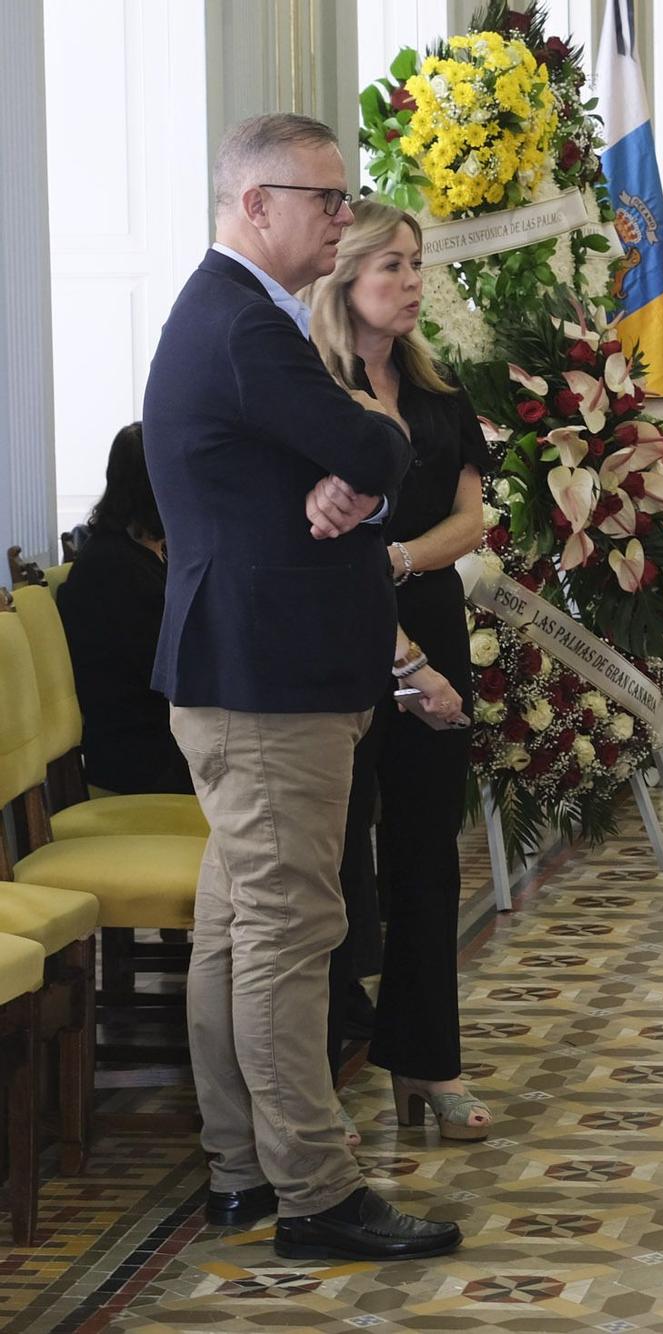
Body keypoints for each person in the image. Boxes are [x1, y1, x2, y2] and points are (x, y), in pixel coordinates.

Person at [144, 111, 463, 1262]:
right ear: (253, 205)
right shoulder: (245, 325)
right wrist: (358, 464)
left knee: (240, 931)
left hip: (250, 666)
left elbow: (368, 455)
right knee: (290, 932)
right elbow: (386, 451)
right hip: (267, 679)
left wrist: (352, 467)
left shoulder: (245, 318)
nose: (341, 215)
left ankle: (240, 1167)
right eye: (324, 199)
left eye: (345, 197)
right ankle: (315, 1191)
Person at [310, 200, 491, 1142]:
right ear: (344, 280)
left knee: (425, 855)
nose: (415, 283)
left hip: (429, 630)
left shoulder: (436, 395)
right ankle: (327, 1070)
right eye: (394, 267)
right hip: (339, 646)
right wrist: (377, 579)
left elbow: (474, 521)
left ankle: (429, 1063)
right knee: (333, 862)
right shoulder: (311, 390)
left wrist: (396, 561)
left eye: (417, 265)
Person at [56, 424, 192, 796]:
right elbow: (172, 673)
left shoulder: (131, 554)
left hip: (152, 741)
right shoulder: (116, 571)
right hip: (140, 760)